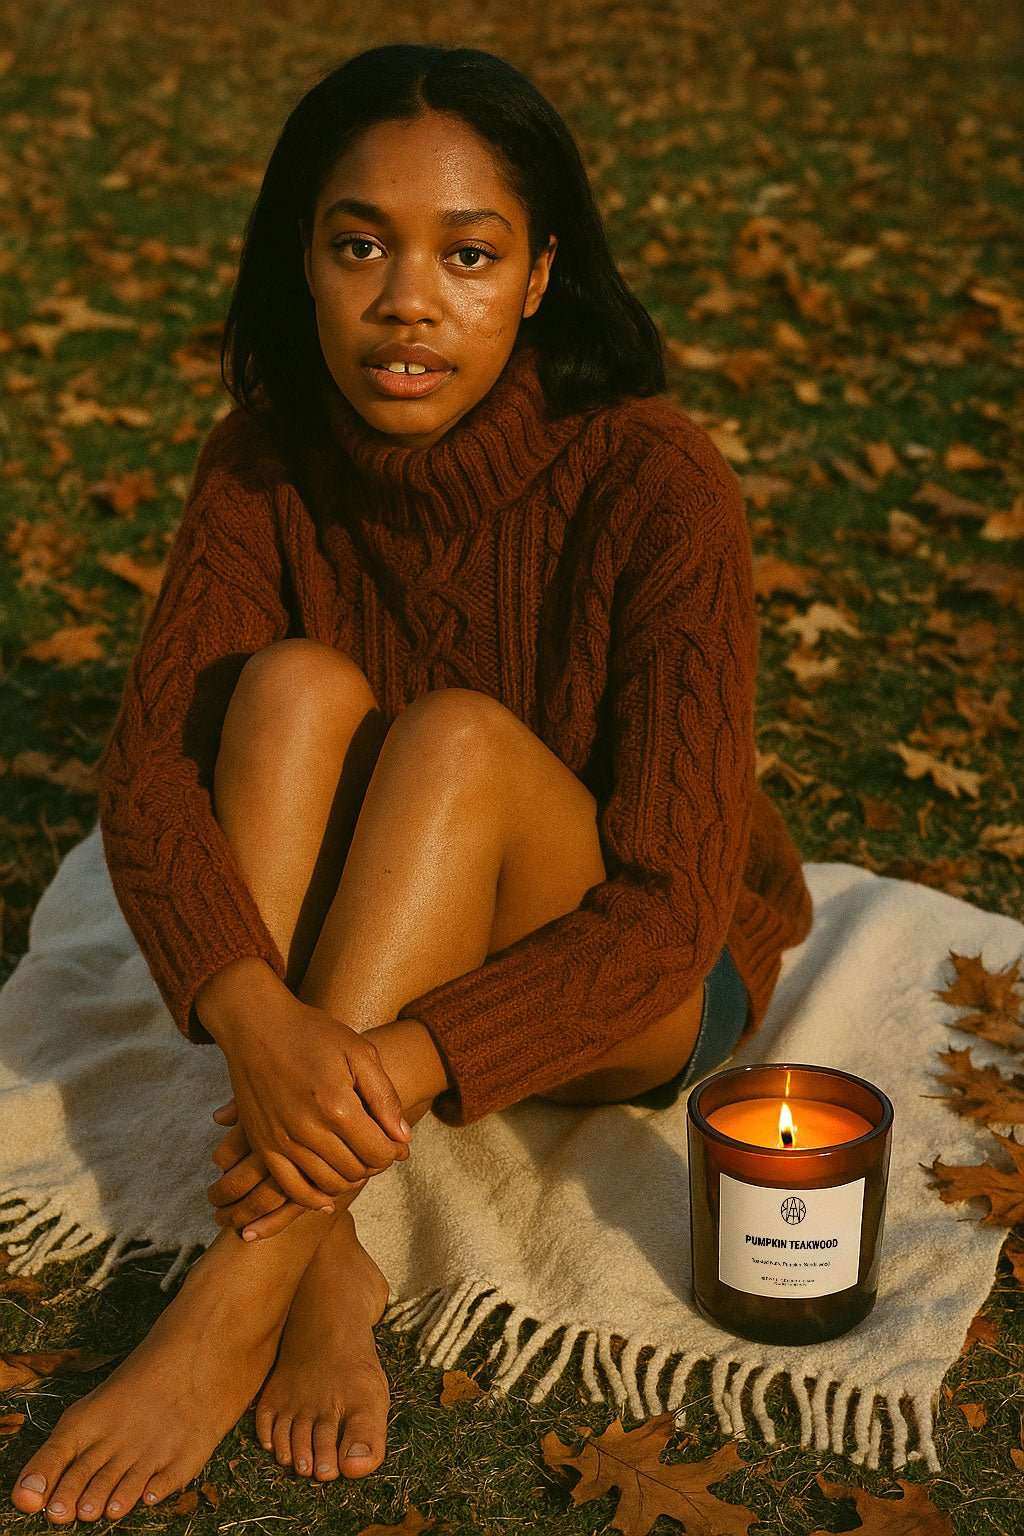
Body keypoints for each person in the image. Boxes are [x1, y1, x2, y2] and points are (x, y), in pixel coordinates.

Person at [11, 40, 813, 1525]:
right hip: (373, 936)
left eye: (469, 253)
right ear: (303, 262)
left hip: (633, 982)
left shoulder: (655, 477)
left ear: (540, 275)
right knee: (288, 688)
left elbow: (663, 910)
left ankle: (238, 1292)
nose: (408, 302)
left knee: (453, 737)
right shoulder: (262, 460)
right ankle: (328, 1262)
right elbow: (148, 782)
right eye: (361, 244)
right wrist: (257, 1023)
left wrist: (376, 1073)